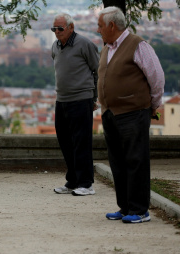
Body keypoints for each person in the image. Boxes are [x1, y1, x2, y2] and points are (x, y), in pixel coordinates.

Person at [97, 7, 164, 223]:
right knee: (117, 161)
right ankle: (125, 207)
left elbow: (156, 76)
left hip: (134, 112)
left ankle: (139, 210)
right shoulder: (107, 49)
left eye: (100, 26)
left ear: (111, 26)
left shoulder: (138, 45)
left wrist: (154, 104)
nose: (98, 30)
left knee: (136, 160)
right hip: (111, 113)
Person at [51, 13, 99, 196]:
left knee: (81, 142)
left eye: (60, 28)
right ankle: (72, 181)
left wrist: (95, 97)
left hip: (81, 99)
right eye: (54, 29)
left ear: (71, 27)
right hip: (62, 99)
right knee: (65, 141)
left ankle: (86, 183)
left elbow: (98, 70)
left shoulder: (85, 44)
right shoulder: (55, 46)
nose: (56, 32)